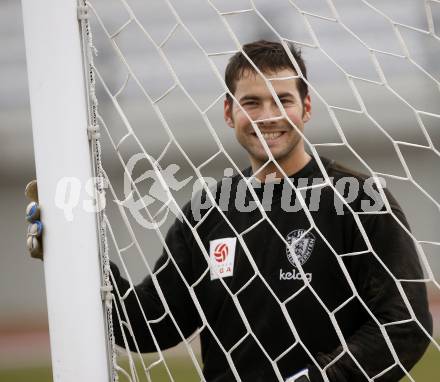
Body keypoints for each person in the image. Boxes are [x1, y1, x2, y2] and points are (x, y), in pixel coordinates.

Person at [26, 40, 432, 382]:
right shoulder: (209, 211)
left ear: (306, 108)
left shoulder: (359, 199)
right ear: (228, 112)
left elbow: (405, 325)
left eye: (282, 100)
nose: (267, 116)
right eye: (251, 102)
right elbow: (150, 323)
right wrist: (74, 249)